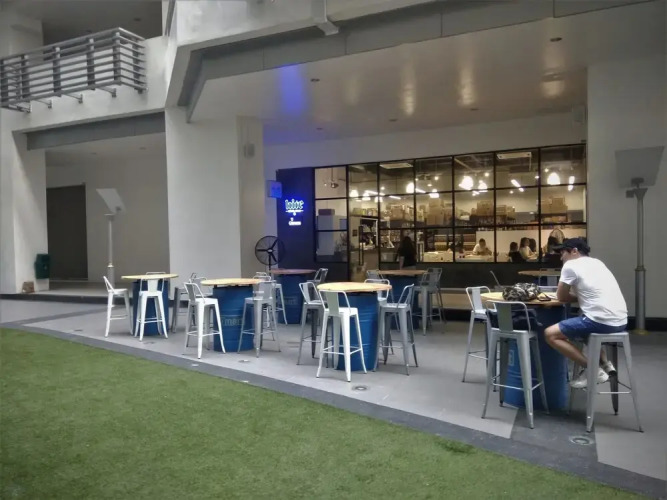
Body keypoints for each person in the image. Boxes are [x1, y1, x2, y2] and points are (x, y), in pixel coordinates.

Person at [544, 237, 627, 388]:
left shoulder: (570, 266)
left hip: (601, 322)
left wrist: (574, 296)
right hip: (621, 321)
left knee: (550, 334)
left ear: (574, 251)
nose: (561, 258)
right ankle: (606, 365)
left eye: (563, 253)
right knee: (583, 326)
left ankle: (593, 370)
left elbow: (561, 297)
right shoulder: (598, 263)